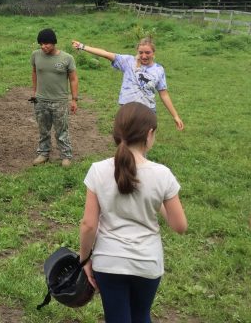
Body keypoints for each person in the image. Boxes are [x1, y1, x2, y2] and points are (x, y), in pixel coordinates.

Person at [79, 102, 187, 323]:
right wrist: (156, 201)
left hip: (108, 262)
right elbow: (180, 225)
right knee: (140, 316)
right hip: (147, 263)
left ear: (117, 132)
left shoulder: (98, 170)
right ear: (149, 134)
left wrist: (83, 260)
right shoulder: (162, 174)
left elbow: (89, 225)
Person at [71, 37, 184, 130]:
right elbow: (106, 54)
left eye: (148, 53)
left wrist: (175, 116)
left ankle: (140, 157)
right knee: (126, 139)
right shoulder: (128, 62)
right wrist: (82, 46)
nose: (144, 56)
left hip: (147, 111)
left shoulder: (159, 70)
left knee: (143, 141)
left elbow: (163, 94)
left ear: (154, 52)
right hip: (128, 109)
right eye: (141, 53)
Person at [31, 28, 79, 168]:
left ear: (54, 43)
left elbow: (74, 79)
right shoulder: (35, 55)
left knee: (61, 130)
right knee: (43, 129)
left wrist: (74, 99)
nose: (43, 46)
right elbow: (34, 72)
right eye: (41, 44)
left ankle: (66, 156)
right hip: (41, 100)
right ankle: (43, 153)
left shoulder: (67, 58)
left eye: (46, 43)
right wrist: (34, 92)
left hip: (60, 101)